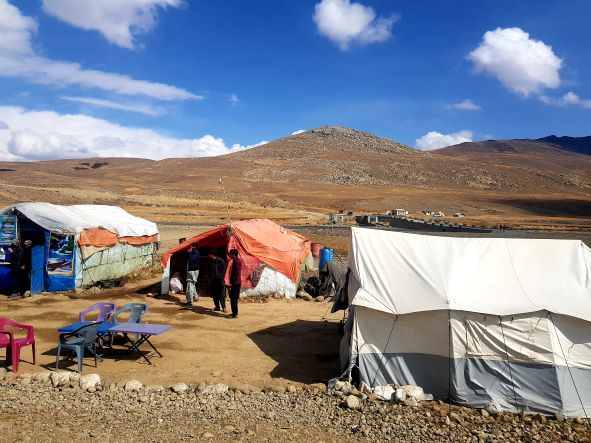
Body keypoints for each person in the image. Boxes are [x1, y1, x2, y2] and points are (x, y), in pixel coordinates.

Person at [227, 248, 242, 319]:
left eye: (230, 254)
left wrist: (232, 281)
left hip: (236, 283)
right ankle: (234, 313)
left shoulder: (237, 261)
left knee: (234, 299)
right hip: (235, 282)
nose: (229, 255)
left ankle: (235, 313)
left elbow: (236, 273)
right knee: (232, 298)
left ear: (233, 254)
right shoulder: (235, 261)